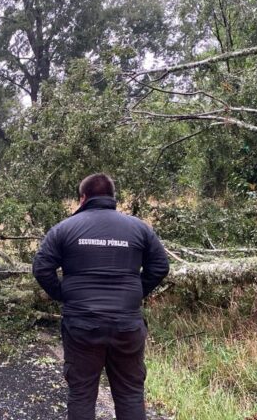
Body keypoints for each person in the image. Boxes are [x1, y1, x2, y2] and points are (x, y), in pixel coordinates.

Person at [32, 173, 170, 420]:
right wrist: (135, 294)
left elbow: (42, 268)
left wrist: (64, 295)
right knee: (130, 393)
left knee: (82, 393)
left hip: (82, 326)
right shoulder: (139, 228)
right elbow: (160, 267)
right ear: (112, 197)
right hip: (127, 325)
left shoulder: (63, 229)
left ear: (83, 198)